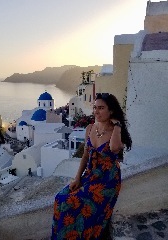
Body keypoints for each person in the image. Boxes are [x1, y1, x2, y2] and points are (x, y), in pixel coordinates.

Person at [51, 93, 132, 240]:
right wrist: (77, 179)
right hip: (90, 176)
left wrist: (117, 125)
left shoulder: (116, 132)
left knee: (74, 203)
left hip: (107, 181)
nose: (96, 111)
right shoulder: (90, 128)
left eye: (101, 108)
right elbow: (85, 156)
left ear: (111, 111)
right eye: (95, 107)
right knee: (60, 198)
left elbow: (114, 149)